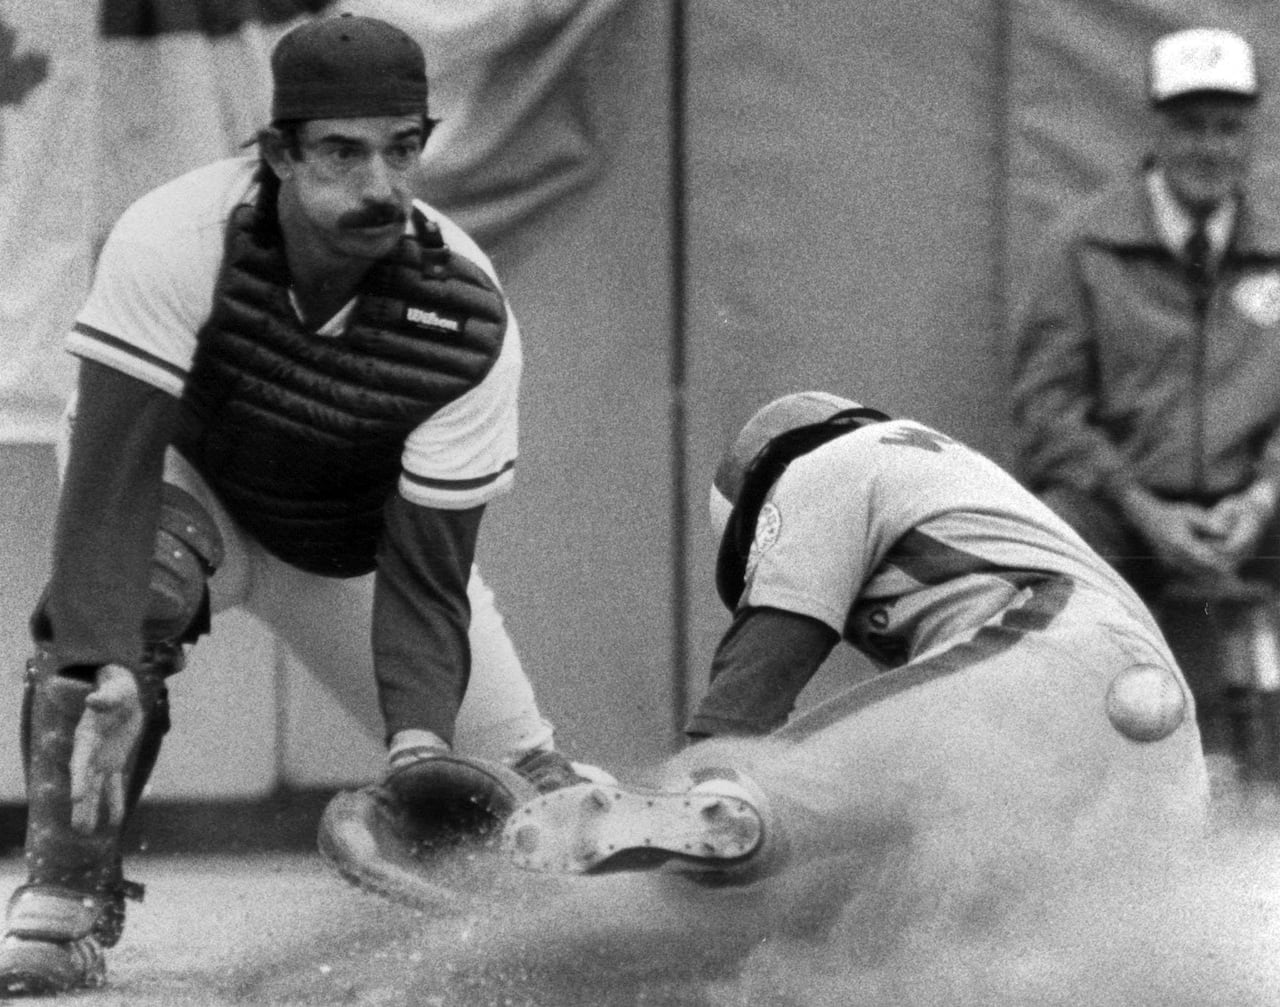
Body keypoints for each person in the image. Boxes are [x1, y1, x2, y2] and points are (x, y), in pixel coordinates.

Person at [0, 13, 590, 995]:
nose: (377, 184)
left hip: (349, 552)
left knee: (526, 781)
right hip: (191, 500)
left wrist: (418, 751)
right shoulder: (177, 235)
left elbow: (426, 570)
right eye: (341, 151)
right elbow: (108, 478)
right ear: (277, 150)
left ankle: (646, 886)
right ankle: (62, 902)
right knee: (101, 623)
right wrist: (98, 654)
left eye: (401, 150)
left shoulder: (465, 317)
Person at [501, 392, 1208, 897]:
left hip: (1055, 650)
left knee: (746, 795)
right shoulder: (935, 470)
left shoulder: (822, 466)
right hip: (1164, 749)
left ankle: (619, 886)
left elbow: (756, 681)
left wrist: (691, 777)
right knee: (943, 919)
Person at [1010, 26, 1280, 767]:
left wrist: (1259, 498)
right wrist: (1143, 507)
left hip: (1251, 514)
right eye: (1190, 127)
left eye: (1228, 128)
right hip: (1121, 509)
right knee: (1050, 549)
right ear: (1157, 129)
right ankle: (1076, 793)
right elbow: (1046, 407)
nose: (1209, 148)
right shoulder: (1083, 243)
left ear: (1250, 135)